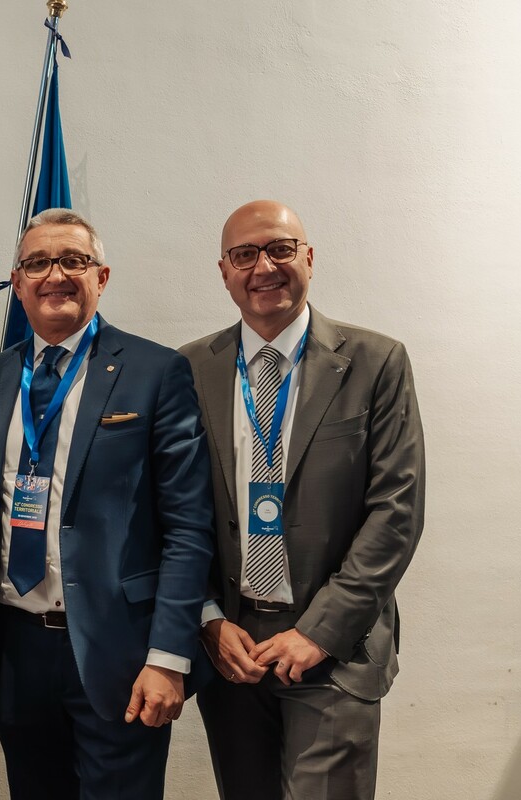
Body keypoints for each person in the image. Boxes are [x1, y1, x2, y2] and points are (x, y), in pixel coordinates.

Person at [180, 200, 426, 800]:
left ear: (309, 258)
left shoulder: (375, 362)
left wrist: (319, 632)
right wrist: (208, 620)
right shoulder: (187, 369)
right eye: (245, 254)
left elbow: (396, 512)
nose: (264, 266)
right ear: (224, 271)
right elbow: (175, 510)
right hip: (233, 648)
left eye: (280, 249)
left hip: (335, 647)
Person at [0, 208, 215, 800]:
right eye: (37, 263)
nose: (55, 275)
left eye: (72, 260)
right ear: (17, 283)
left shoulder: (156, 371)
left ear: (101, 277)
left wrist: (169, 656)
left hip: (120, 650)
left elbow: (188, 526)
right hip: (16, 648)